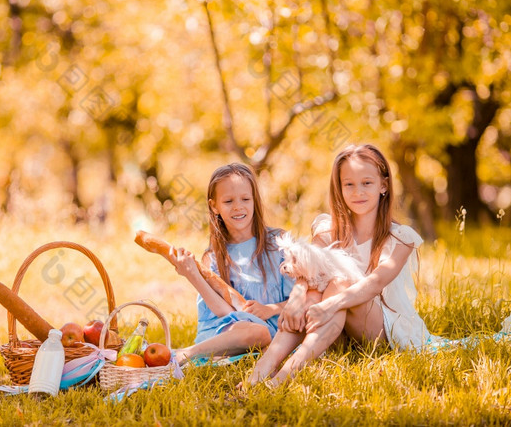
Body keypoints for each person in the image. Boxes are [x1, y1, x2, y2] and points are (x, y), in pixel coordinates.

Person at [247, 143, 432, 387]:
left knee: (338, 282)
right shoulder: (326, 229)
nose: (358, 192)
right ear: (340, 188)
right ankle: (257, 377)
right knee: (313, 291)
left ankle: (283, 377)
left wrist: (327, 305)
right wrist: (296, 300)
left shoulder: (399, 238)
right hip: (336, 327)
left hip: (382, 330)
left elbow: (375, 283)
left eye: (367, 183)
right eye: (349, 185)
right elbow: (308, 274)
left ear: (383, 186)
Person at [172, 163, 295, 365]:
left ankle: (188, 354)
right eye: (228, 201)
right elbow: (226, 314)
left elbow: (300, 299)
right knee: (256, 332)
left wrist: (270, 309)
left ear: (254, 200)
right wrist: (193, 275)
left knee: (261, 333)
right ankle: (187, 354)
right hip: (226, 330)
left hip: (273, 328)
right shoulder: (213, 256)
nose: (238, 207)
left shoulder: (279, 243)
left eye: (245, 199)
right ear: (214, 206)